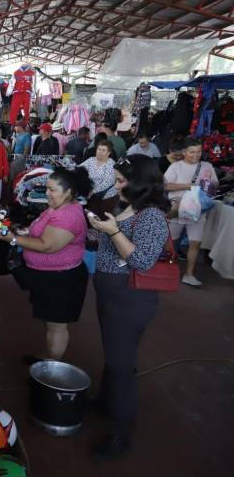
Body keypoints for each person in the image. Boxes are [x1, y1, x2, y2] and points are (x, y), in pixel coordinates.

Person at [87, 154, 170, 461]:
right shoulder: (126, 206)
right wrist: (98, 229)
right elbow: (110, 245)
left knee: (122, 366)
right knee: (113, 355)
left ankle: (121, 432)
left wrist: (112, 232)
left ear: (139, 183)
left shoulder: (151, 216)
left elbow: (141, 260)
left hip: (130, 299)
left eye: (122, 181)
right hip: (110, 293)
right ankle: (105, 402)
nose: (116, 185)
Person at [0, 168, 92, 362]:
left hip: (62, 280)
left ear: (69, 191)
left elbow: (47, 246)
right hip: (50, 277)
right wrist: (24, 232)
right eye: (47, 188)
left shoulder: (68, 216)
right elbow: (39, 229)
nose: (47, 193)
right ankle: (46, 359)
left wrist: (12, 239)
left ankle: (51, 371)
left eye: (52, 189)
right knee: (50, 324)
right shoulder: (56, 207)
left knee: (56, 327)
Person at [164, 137, 219, 287]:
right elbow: (165, 185)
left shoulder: (207, 166)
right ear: (184, 152)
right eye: (191, 152)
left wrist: (207, 183)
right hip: (177, 210)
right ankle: (169, 270)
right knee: (171, 243)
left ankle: (189, 274)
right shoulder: (176, 167)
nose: (196, 155)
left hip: (198, 211)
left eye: (199, 151)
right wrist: (189, 186)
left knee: (195, 243)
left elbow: (212, 189)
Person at [80, 139, 119, 217]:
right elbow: (80, 169)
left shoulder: (111, 164)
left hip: (106, 196)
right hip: (92, 194)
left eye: (103, 150)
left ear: (108, 153)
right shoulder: (91, 160)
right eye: (99, 149)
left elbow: (108, 182)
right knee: (89, 214)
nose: (100, 152)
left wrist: (93, 191)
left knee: (100, 216)